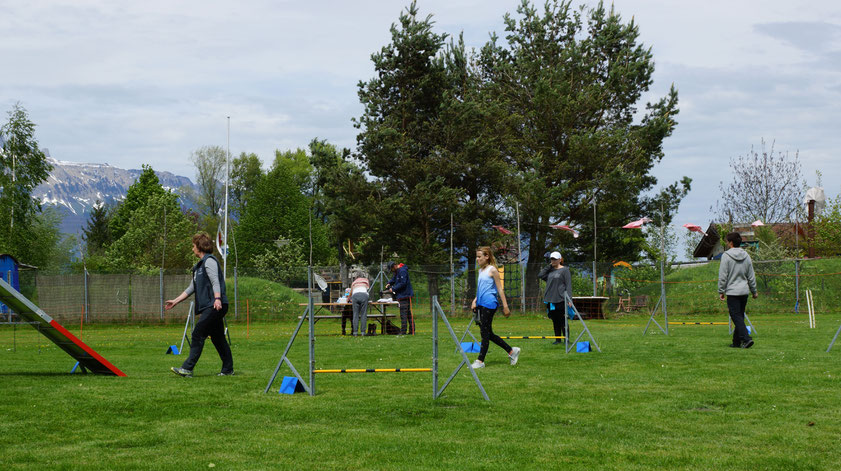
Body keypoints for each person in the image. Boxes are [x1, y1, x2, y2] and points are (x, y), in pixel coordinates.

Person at [167, 232, 234, 377]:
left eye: (193, 246)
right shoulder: (198, 267)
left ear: (199, 246)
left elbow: (215, 281)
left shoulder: (209, 261)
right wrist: (175, 301)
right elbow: (191, 288)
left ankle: (187, 368)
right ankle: (228, 370)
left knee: (198, 333)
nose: (192, 249)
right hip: (211, 305)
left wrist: (217, 299)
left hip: (215, 305)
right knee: (218, 338)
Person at [469, 246, 520, 368]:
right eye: (477, 257)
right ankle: (512, 351)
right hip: (481, 303)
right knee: (488, 333)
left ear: (487, 257)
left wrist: (506, 307)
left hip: (490, 304)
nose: (477, 259)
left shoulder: (493, 270)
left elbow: (500, 290)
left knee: (484, 333)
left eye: (479, 256)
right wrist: (474, 300)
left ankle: (480, 361)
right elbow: (481, 288)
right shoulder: (481, 271)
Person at [718, 232, 758, 348]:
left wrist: (721, 290)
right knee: (739, 316)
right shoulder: (746, 255)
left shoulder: (726, 256)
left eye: (727, 241)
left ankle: (746, 339)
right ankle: (736, 342)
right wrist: (754, 291)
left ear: (730, 243)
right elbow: (751, 275)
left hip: (732, 292)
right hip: (744, 291)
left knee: (736, 316)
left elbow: (723, 275)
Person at [538, 251, 573, 345]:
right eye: (551, 259)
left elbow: (568, 285)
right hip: (550, 299)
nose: (552, 261)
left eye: (554, 259)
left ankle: (566, 339)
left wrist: (569, 299)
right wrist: (549, 266)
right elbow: (540, 275)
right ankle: (557, 339)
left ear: (560, 260)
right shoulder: (550, 271)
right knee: (555, 320)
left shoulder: (565, 270)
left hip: (561, 299)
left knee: (563, 320)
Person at [386, 260, 414, 335]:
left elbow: (403, 283)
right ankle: (411, 330)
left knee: (404, 314)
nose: (392, 271)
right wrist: (389, 283)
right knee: (407, 313)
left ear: (394, 266)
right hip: (402, 295)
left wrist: (393, 289)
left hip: (405, 295)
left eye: (391, 269)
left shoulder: (402, 271)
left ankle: (403, 331)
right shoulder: (397, 272)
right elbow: (394, 279)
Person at [349, 270, 370, 336]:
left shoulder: (354, 282)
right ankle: (363, 332)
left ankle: (355, 332)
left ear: (356, 277)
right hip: (364, 295)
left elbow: (351, 292)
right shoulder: (366, 280)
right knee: (363, 314)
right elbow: (367, 289)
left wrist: (348, 299)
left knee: (355, 314)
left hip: (355, 296)